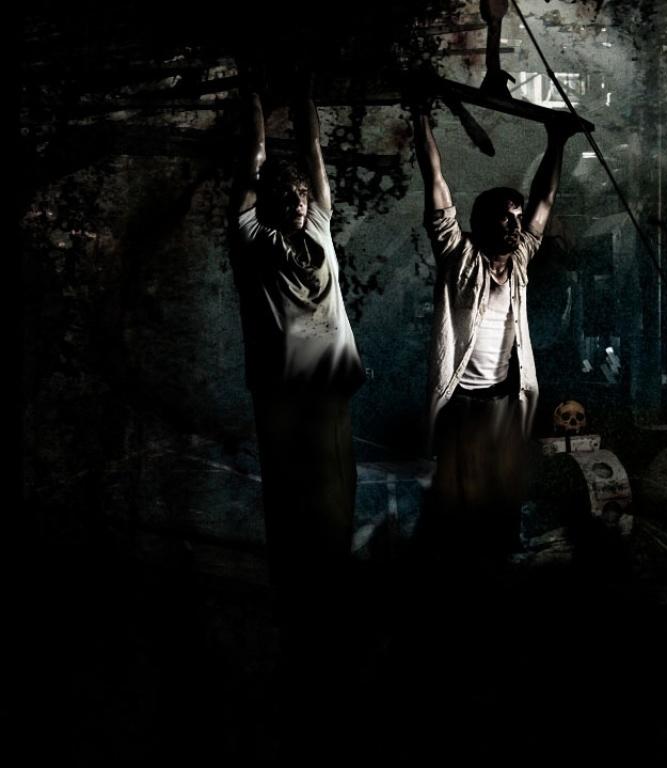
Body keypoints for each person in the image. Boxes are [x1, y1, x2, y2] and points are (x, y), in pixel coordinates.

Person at [227, 66, 364, 753]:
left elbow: (311, 156)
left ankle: (326, 604)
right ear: (269, 200)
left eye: (301, 192)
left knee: (333, 495)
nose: (296, 196)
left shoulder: (320, 231)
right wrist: (255, 100)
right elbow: (254, 164)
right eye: (284, 192)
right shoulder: (251, 238)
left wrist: (306, 96)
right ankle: (296, 610)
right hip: (285, 393)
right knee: (290, 500)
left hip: (326, 387)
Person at [407, 75, 580, 570]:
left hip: (505, 398)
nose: (514, 224)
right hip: (463, 400)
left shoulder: (520, 260)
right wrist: (420, 116)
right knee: (459, 496)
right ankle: (452, 570)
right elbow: (435, 182)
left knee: (503, 494)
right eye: (504, 217)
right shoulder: (458, 255)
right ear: (481, 221)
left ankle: (496, 569)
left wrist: (556, 140)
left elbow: (544, 201)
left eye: (516, 217)